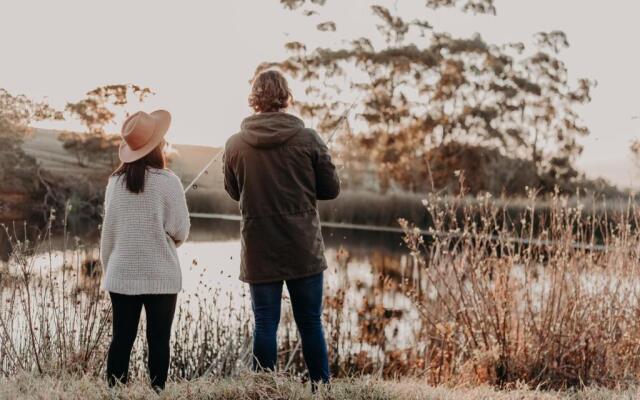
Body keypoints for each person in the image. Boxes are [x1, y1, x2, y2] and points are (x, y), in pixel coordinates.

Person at [223, 70, 340, 388]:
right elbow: (331, 190)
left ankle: (264, 392)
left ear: (254, 99)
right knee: (310, 323)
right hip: (303, 248)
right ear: (286, 96)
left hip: (260, 249)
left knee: (264, 324)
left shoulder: (235, 144)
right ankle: (321, 390)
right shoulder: (309, 139)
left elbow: (235, 192)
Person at [100, 110, 190, 391]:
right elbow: (180, 231)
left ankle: (114, 394)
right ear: (158, 146)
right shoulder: (169, 181)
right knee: (159, 341)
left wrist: (109, 270)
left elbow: (110, 232)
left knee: (121, 340)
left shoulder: (114, 183)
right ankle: (157, 393)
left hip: (120, 273)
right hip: (161, 275)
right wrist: (163, 240)